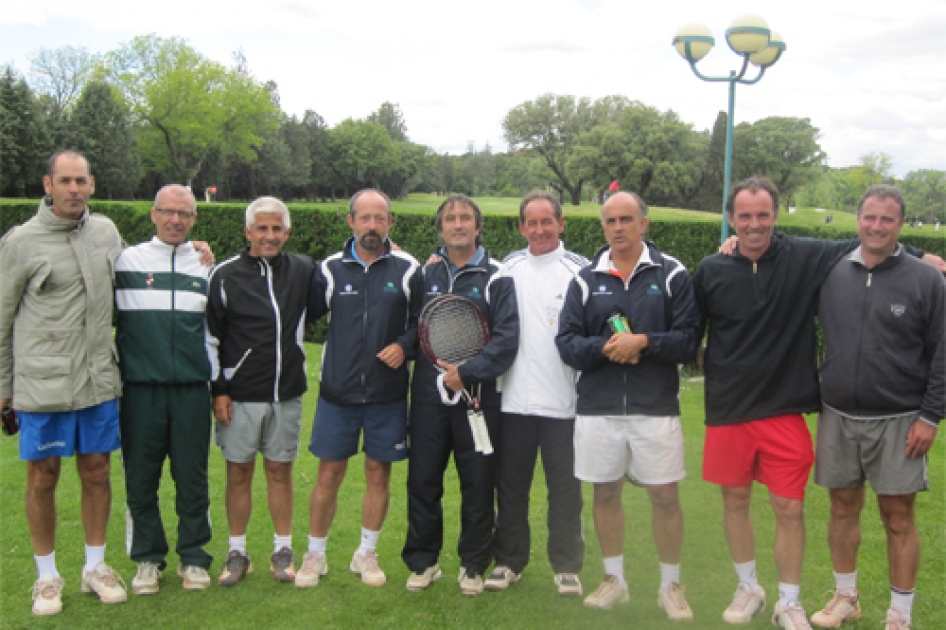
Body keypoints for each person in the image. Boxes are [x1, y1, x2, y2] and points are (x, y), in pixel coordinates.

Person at [693, 177, 945, 630]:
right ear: (732, 218)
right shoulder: (723, 268)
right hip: (780, 412)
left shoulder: (815, 258)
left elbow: (872, 247)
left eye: (763, 215)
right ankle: (790, 592)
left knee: (856, 513)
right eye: (744, 216)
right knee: (792, 504)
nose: (754, 224)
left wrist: (923, 258)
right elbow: (691, 331)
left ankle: (856, 611)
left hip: (842, 414)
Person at [556, 191, 701, 620]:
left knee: (664, 495)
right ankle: (614, 580)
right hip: (598, 408)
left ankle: (670, 585)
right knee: (605, 492)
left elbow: (690, 339)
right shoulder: (585, 279)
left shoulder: (672, 273)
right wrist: (608, 348)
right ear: (603, 226)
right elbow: (566, 344)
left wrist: (645, 342)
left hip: (654, 407)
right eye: (610, 221)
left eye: (626, 219)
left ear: (644, 223)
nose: (617, 228)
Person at [809, 185, 944, 630]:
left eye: (887, 219)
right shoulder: (831, 271)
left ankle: (899, 615)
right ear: (858, 219)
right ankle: (846, 597)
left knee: (898, 517)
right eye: (870, 217)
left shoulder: (926, 280)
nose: (877, 227)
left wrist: (930, 416)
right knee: (842, 508)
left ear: (901, 225)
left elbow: (943, 351)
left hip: (900, 418)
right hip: (839, 414)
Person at [0, 151, 127, 615]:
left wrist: (194, 252)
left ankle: (95, 567)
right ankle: (46, 576)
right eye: (65, 181)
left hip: (97, 380)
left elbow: (136, 276)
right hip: (43, 384)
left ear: (92, 185)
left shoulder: (107, 233)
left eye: (81, 181)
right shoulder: (20, 242)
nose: (74, 189)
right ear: (47, 185)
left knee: (97, 471)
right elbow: (2, 318)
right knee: (43, 476)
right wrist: (3, 389)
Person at [294, 189, 421, 589]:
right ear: (350, 222)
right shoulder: (329, 269)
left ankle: (365, 553)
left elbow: (422, 321)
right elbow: (302, 308)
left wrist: (404, 345)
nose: (371, 226)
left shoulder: (408, 268)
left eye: (379, 219)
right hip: (337, 395)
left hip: (387, 396)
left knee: (378, 475)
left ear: (390, 223)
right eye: (364, 218)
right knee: (328, 475)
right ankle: (315, 555)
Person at [401, 194, 519, 597]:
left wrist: (466, 373)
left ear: (478, 226)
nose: (457, 224)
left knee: (478, 482)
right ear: (441, 228)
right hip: (429, 398)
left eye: (465, 218)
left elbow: (506, 340)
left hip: (478, 399)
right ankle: (423, 561)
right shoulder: (424, 273)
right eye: (450, 218)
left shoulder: (498, 276)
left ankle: (472, 564)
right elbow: (413, 329)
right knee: (423, 481)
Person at [205, 196, 315, 587]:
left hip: (286, 393)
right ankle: (237, 552)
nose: (269, 236)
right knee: (238, 473)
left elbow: (342, 286)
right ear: (248, 231)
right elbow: (211, 338)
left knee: (279, 470)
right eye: (262, 228)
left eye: (276, 228)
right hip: (240, 395)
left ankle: (283, 549)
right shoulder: (224, 274)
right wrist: (219, 389)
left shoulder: (302, 270)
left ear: (287, 232)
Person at [484, 191, 587, 597]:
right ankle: (509, 561)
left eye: (548, 222)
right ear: (522, 226)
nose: (540, 229)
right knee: (511, 489)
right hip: (513, 403)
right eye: (532, 222)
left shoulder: (582, 271)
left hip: (566, 404)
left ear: (561, 224)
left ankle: (567, 566)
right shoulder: (504, 271)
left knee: (566, 491)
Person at [115, 184, 214, 595]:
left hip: (192, 389)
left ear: (194, 219)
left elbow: (216, 332)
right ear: (153, 214)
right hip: (140, 390)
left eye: (185, 214)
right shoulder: (125, 260)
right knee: (141, 477)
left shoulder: (206, 266)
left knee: (192, 476)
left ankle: (193, 557)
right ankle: (147, 559)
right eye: (168, 212)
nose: (176, 220)